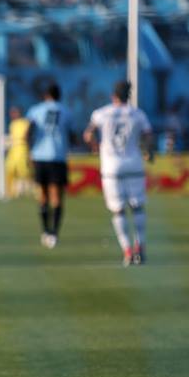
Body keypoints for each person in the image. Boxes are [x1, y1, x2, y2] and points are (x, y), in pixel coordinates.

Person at [83, 81, 154, 266]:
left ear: (113, 95)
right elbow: (148, 135)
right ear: (128, 96)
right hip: (134, 164)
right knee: (137, 207)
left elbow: (88, 134)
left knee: (118, 210)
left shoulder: (101, 113)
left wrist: (95, 146)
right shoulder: (138, 114)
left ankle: (127, 251)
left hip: (111, 166)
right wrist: (149, 151)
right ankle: (140, 248)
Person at [26, 84, 75, 248]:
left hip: (40, 156)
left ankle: (45, 231)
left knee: (43, 196)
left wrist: (29, 150)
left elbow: (28, 133)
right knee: (56, 197)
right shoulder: (66, 111)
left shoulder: (35, 110)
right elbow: (72, 135)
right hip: (58, 156)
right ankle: (54, 233)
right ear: (59, 95)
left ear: (45, 95)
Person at [4, 106, 31, 199]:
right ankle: (10, 194)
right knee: (9, 170)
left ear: (19, 113)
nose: (12, 114)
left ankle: (32, 191)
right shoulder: (12, 124)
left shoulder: (25, 123)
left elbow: (28, 136)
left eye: (14, 112)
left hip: (22, 149)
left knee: (24, 172)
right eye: (11, 112)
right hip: (13, 150)